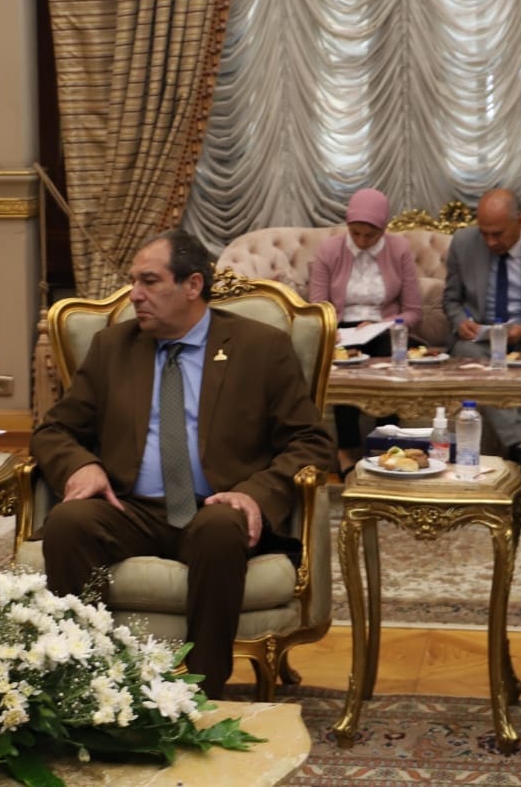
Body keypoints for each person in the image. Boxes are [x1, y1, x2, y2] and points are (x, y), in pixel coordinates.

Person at [31, 228, 334, 698]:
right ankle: (84, 683)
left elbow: (311, 441)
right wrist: (80, 466)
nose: (135, 294)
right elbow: (54, 430)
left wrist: (254, 495)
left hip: (214, 505)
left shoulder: (261, 347)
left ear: (193, 285)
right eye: (134, 281)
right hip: (129, 506)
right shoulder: (112, 347)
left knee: (221, 528)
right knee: (69, 523)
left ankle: (202, 693)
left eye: (149, 281)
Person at [442, 188, 521, 475]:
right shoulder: (463, 243)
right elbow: (451, 300)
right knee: (467, 356)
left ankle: (517, 445)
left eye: (498, 234)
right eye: (484, 233)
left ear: (520, 221)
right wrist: (460, 321)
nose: (490, 241)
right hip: (480, 339)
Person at [308, 187, 422, 476]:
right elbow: (318, 306)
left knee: (388, 361)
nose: (361, 241)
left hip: (384, 328)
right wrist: (330, 329)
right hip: (342, 329)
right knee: (345, 366)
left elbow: (413, 311)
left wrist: (386, 324)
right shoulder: (329, 250)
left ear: (384, 229)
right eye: (355, 233)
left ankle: (388, 448)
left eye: (369, 235)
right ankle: (346, 451)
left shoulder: (399, 250)